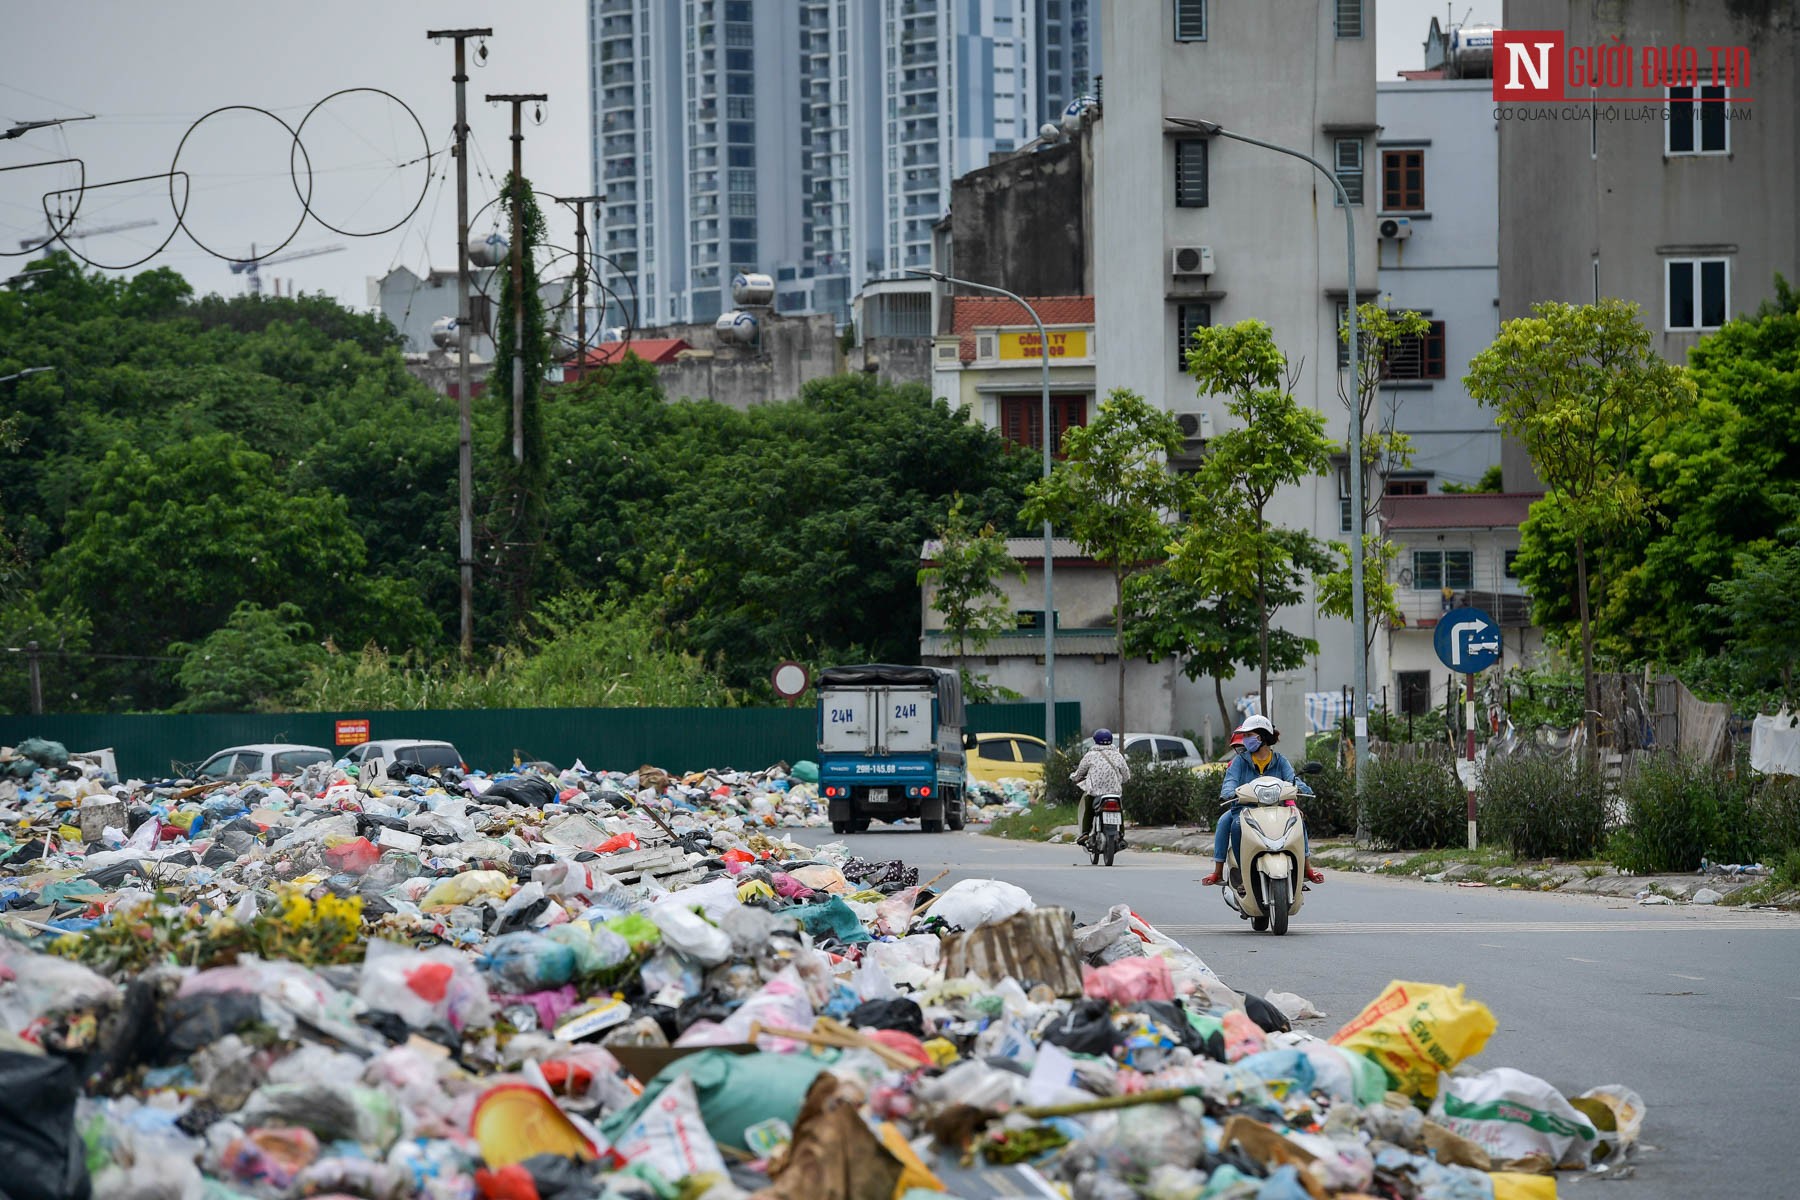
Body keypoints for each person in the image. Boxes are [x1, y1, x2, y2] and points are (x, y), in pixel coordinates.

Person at [1202, 715, 1325, 886]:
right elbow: (1230, 780)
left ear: (1261, 737)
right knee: (1234, 825)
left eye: (1248, 735)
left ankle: (1306, 868)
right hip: (1245, 810)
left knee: (1298, 820)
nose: (1245, 740)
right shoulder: (1240, 761)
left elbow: (1291, 779)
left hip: (1276, 810)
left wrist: (1304, 789)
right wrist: (1228, 792)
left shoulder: (1280, 761)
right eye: (1244, 736)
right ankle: (1239, 875)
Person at [1071, 728, 1130, 849]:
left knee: (1089, 808)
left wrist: (1073, 777)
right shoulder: (1117, 755)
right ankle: (1121, 835)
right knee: (1119, 810)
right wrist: (1122, 781)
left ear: (1095, 741)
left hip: (1096, 793)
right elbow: (1126, 774)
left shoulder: (1090, 755)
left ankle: (1085, 833)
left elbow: (1079, 772)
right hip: (1114, 793)